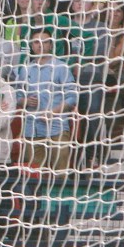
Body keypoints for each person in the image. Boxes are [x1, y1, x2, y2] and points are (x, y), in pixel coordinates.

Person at [15, 28, 78, 173]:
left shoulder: (61, 67)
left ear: (51, 45)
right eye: (36, 42)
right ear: (31, 45)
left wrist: (53, 112)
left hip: (58, 129)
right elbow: (17, 96)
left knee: (60, 174)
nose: (40, 45)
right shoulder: (25, 69)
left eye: (44, 42)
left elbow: (72, 96)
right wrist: (24, 101)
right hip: (32, 130)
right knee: (35, 176)